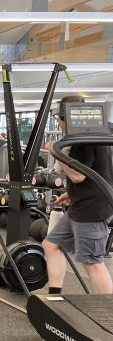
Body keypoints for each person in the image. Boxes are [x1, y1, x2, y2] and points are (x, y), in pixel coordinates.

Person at [43, 95, 113, 295]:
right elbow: (97, 172)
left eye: (58, 118)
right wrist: (69, 193)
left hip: (92, 209)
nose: (58, 122)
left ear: (65, 117)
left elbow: (78, 175)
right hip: (81, 205)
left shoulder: (85, 140)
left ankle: (108, 311)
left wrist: (56, 153)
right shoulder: (90, 134)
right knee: (51, 244)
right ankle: (55, 296)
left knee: (92, 262)